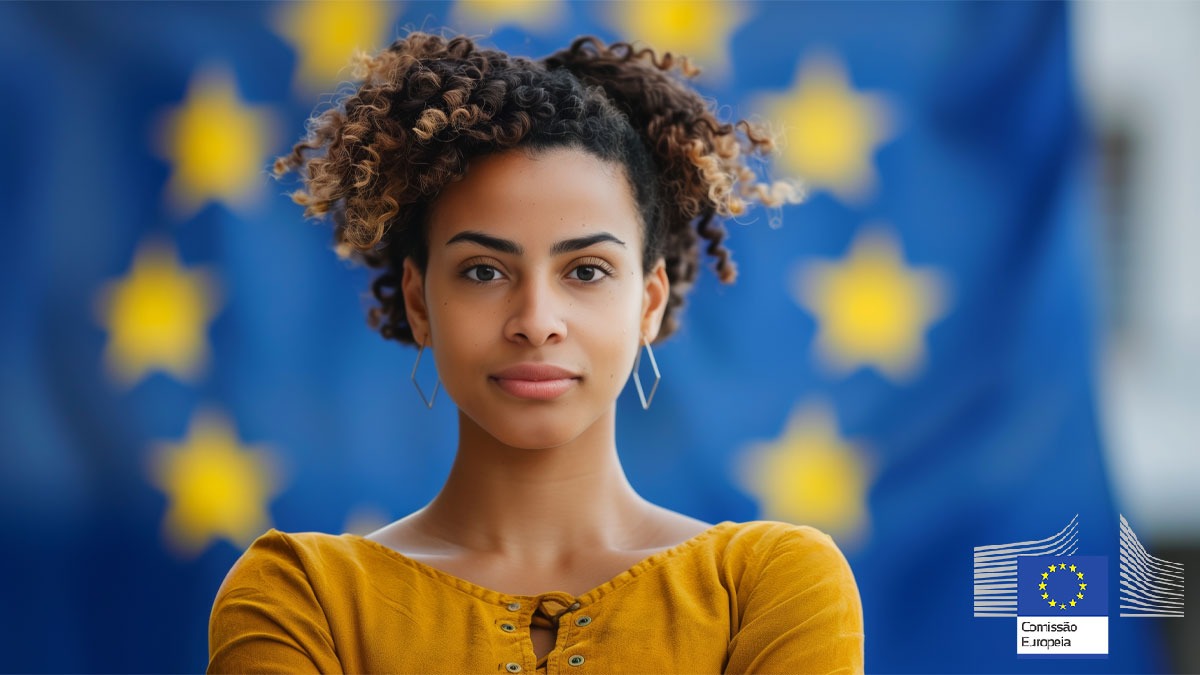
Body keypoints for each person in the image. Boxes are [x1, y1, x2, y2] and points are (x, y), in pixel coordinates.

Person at [207, 31, 864, 674]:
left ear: (649, 300)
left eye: (586, 270)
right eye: (484, 271)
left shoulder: (769, 584)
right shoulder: (301, 597)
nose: (536, 322)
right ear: (417, 299)